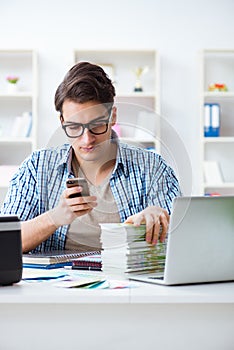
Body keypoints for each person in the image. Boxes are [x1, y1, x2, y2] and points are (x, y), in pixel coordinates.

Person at [0, 62, 181, 253]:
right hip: (53, 283)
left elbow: (183, 240)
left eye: (97, 125)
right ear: (62, 122)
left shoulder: (152, 167)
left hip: (130, 281)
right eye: (74, 127)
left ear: (112, 117)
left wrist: (160, 218)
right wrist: (54, 218)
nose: (87, 139)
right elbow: (5, 242)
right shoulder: (36, 168)